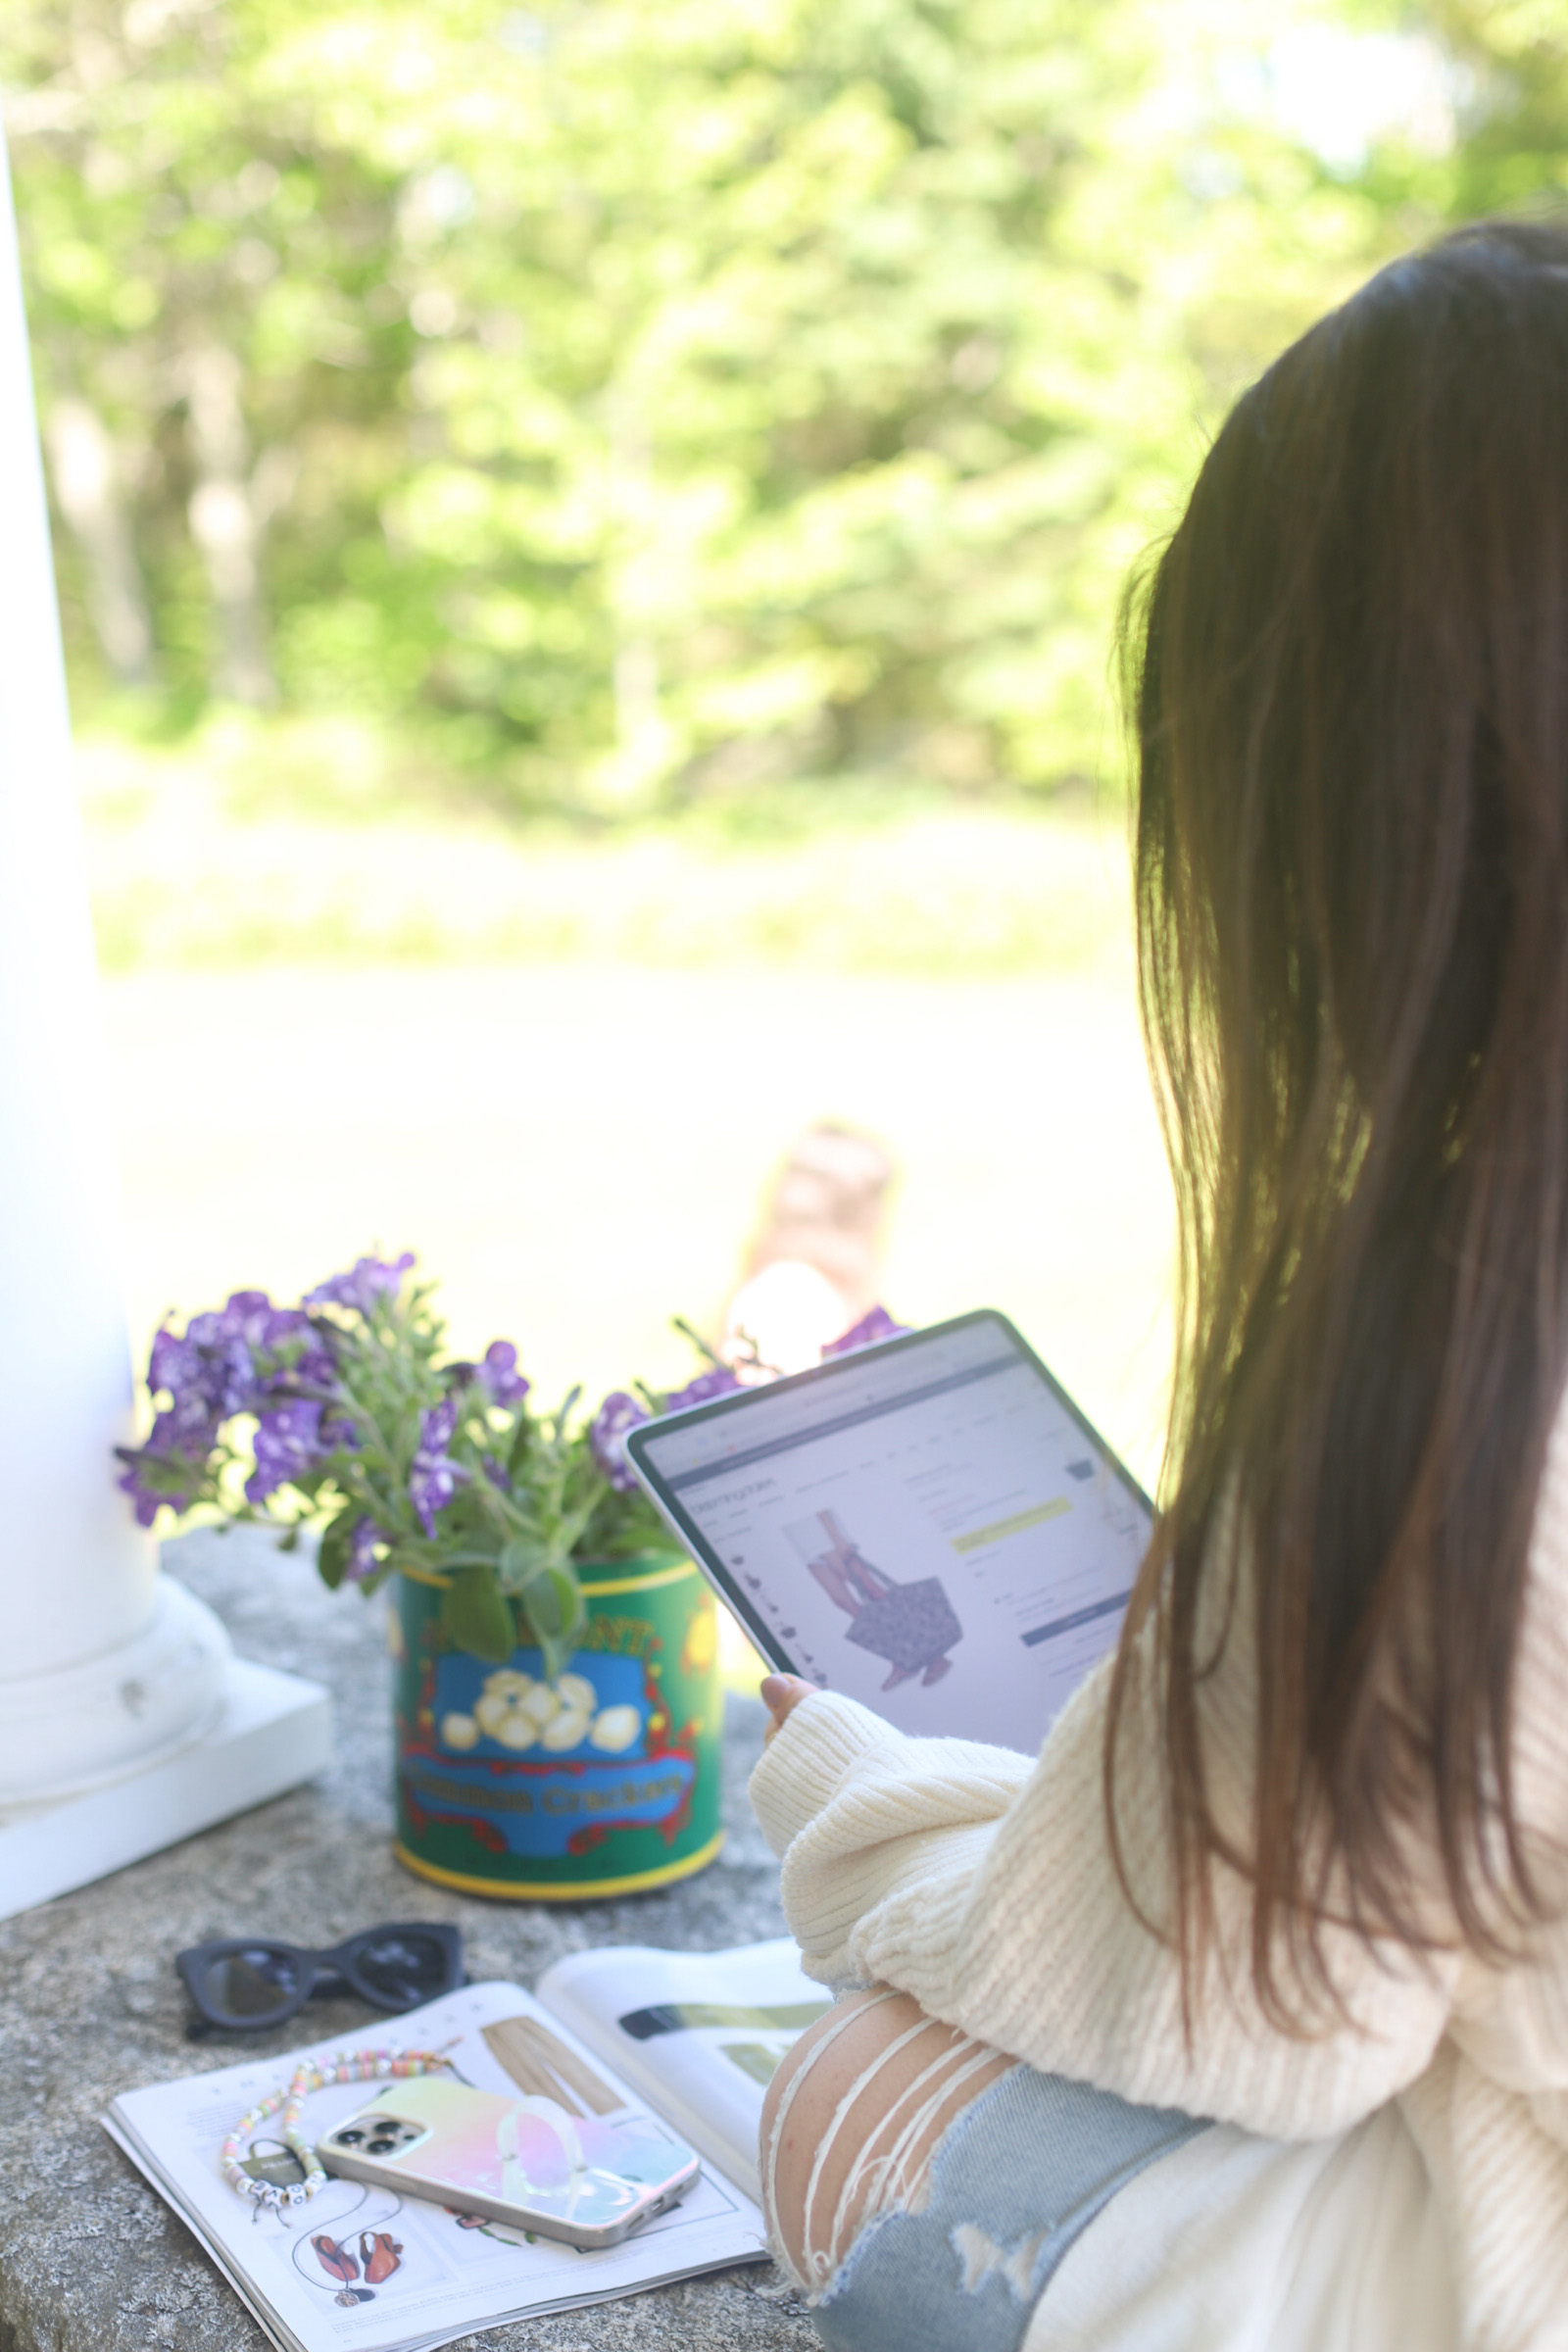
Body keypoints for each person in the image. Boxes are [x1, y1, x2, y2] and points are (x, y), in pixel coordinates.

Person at [747, 218, 1568, 2352]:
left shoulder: (1455, 1363)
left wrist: (838, 1784)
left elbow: (1232, 2011)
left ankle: (790, 1323)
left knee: (852, 2102)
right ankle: (796, 1315)